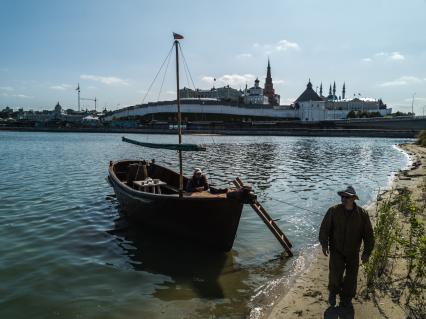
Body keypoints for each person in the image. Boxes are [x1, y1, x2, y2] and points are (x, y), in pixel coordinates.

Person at [319, 186, 374, 309]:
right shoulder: (333, 211)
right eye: (342, 196)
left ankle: (347, 297)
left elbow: (369, 235)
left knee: (351, 276)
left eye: (347, 197)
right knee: (335, 273)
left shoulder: (362, 214)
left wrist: (367, 253)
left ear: (354, 198)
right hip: (336, 250)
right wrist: (324, 244)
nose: (343, 199)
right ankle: (333, 291)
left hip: (353, 252)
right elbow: (324, 229)